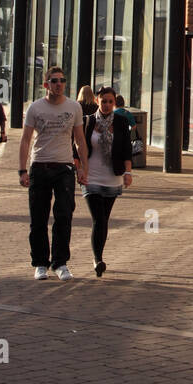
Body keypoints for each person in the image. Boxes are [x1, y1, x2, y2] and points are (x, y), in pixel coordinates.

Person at [17, 66, 88, 281]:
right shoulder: (35, 108)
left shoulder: (74, 107)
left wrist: (83, 167)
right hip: (40, 166)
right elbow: (26, 139)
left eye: (62, 80)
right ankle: (40, 263)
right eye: (54, 80)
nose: (59, 84)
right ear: (46, 84)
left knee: (64, 215)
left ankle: (60, 263)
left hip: (64, 167)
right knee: (38, 218)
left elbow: (80, 140)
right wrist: (22, 170)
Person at [77, 86, 133, 277]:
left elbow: (126, 149)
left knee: (104, 220)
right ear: (97, 101)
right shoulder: (88, 122)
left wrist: (128, 172)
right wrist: (79, 169)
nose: (107, 105)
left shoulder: (121, 122)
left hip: (112, 177)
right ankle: (98, 259)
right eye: (104, 101)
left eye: (110, 101)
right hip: (91, 175)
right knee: (98, 218)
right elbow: (78, 147)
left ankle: (98, 256)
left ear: (114, 103)